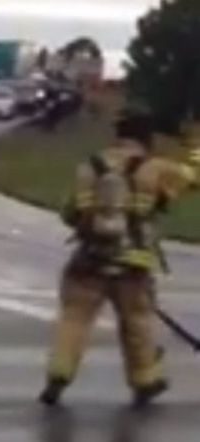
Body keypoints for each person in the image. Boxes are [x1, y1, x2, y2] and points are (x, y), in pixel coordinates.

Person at [40, 111, 200, 407]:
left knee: (74, 319)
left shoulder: (89, 167)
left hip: (88, 260)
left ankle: (58, 374)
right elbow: (194, 178)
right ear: (147, 140)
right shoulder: (155, 168)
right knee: (137, 324)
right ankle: (145, 381)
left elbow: (70, 213)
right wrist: (195, 143)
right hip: (134, 264)